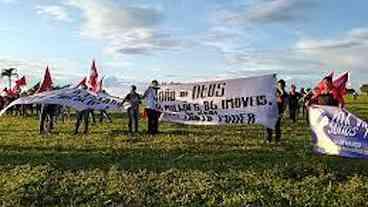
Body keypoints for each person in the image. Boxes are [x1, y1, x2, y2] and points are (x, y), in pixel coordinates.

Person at [266, 79, 288, 143]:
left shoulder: (285, 94)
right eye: (278, 85)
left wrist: (282, 112)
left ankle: (277, 140)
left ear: (284, 86)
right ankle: (269, 139)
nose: (279, 86)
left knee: (277, 126)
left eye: (281, 85)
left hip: (278, 112)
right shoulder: (273, 92)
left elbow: (285, 104)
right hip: (271, 111)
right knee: (269, 125)